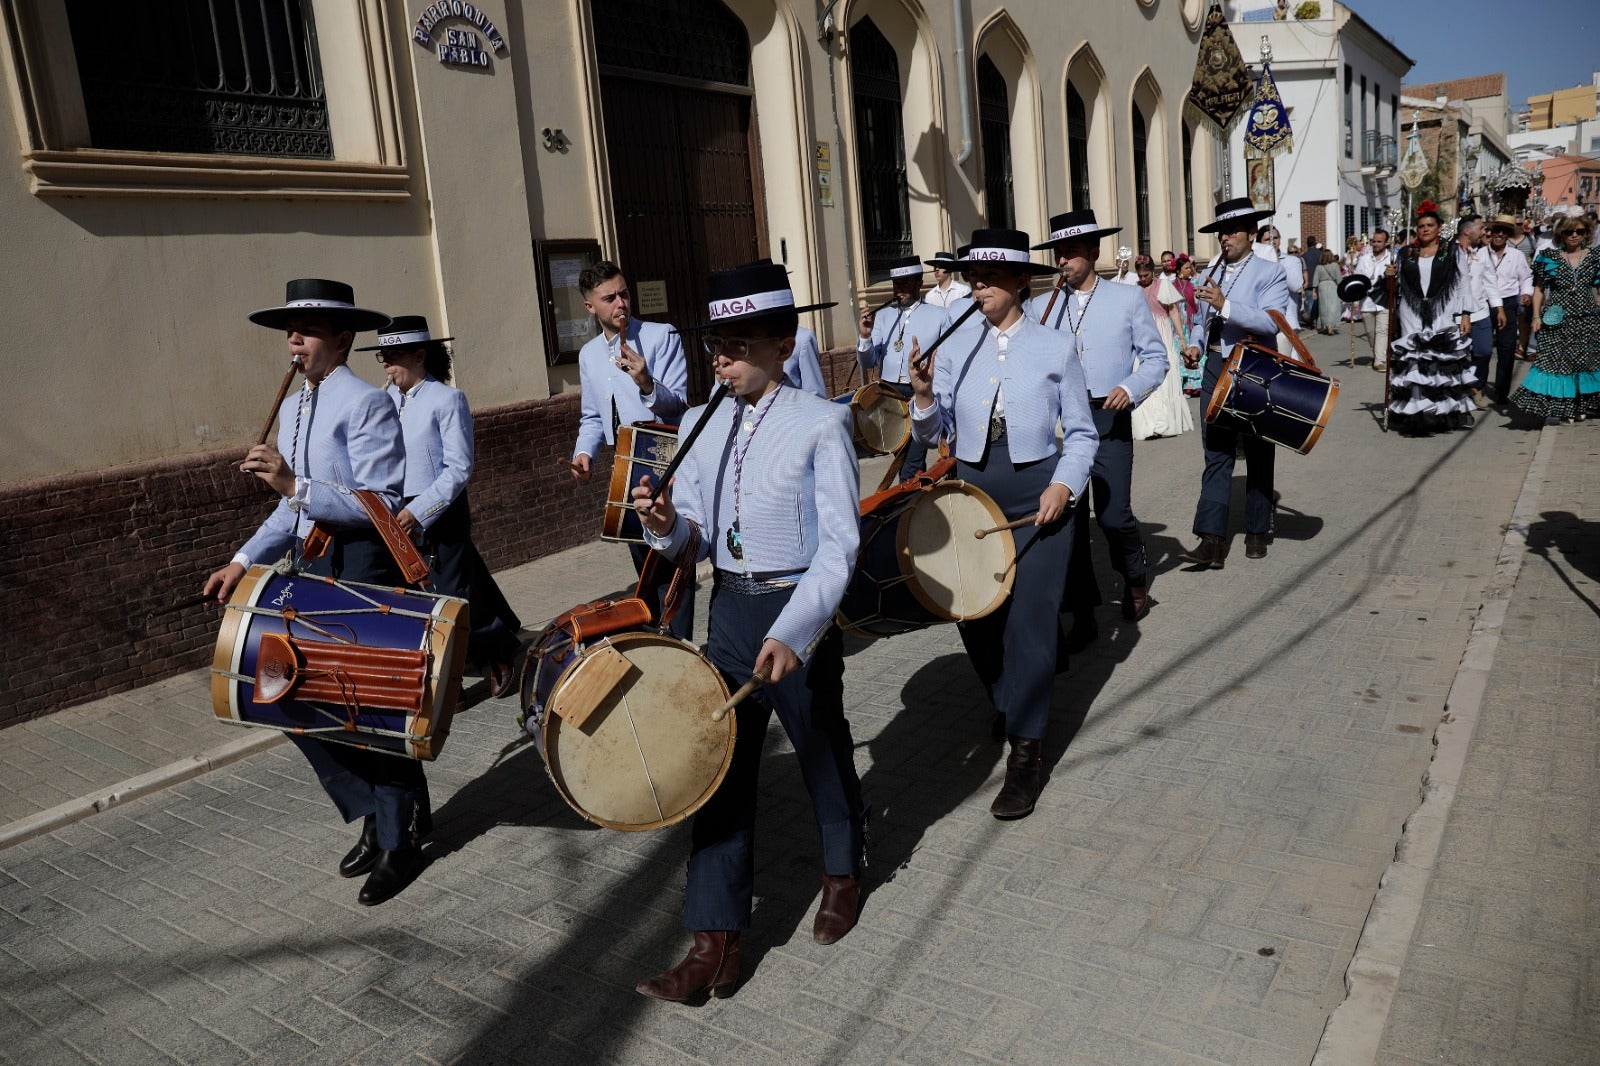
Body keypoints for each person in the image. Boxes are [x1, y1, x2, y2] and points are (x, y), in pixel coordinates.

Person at [630, 260, 868, 1001]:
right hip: (729, 609)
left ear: (782, 343)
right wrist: (667, 528)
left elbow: (841, 547)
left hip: (796, 611)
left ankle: (841, 871)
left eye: (736, 344)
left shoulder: (822, 422)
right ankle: (712, 943)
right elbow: (693, 535)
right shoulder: (708, 417)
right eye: (715, 346)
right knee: (720, 768)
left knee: (820, 745)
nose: (721, 358)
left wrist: (797, 630)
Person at [203, 278, 429, 907]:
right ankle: (373, 814)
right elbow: (292, 510)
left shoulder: (366, 404)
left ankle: (401, 835)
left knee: (367, 705)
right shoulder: (299, 405)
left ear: (343, 339)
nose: (293, 341)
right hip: (307, 566)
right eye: (289, 332)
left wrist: (294, 483)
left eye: (306, 331)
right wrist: (242, 559)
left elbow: (381, 502)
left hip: (360, 565)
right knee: (287, 695)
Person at [909, 228, 1098, 818]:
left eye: (991, 276)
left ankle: (1026, 753)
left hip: (1036, 493)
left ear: (1021, 281)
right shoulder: (958, 343)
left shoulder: (1054, 346)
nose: (979, 285)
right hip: (970, 491)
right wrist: (920, 397)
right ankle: (1010, 699)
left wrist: (1063, 486)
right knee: (972, 612)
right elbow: (927, 434)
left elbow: (1083, 434)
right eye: (973, 276)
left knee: (1031, 622)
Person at [360, 316, 522, 698]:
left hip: (438, 508)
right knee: (421, 596)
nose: (385, 362)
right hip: (395, 510)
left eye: (393, 354)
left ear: (420, 355)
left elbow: (459, 467)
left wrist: (420, 511)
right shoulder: (383, 400)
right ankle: (448, 674)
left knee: (453, 591)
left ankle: (498, 655)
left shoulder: (446, 399)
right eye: (382, 354)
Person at [1030, 213, 1168, 652]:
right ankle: (1083, 612)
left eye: (1072, 252)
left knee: (1112, 515)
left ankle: (1133, 573)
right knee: (1068, 518)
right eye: (1059, 252)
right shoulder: (1043, 306)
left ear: (1094, 253)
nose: (1063, 260)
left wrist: (1129, 387)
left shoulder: (1127, 300)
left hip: (1108, 414)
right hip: (1061, 423)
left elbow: (1155, 359)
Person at [569, 261, 693, 636]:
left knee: (671, 564)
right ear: (591, 307)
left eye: (624, 293)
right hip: (624, 464)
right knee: (643, 563)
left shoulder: (661, 335)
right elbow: (592, 416)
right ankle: (656, 638)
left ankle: (679, 643)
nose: (621, 303)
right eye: (609, 298)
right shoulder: (589, 354)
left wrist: (646, 383)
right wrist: (584, 453)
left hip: (662, 459)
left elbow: (681, 407)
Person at [1179, 199, 1290, 568]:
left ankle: (1257, 528)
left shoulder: (1269, 272)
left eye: (1231, 231)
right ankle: (1211, 539)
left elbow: (1271, 323)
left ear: (1251, 234)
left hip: (1254, 365)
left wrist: (1226, 304)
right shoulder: (1212, 269)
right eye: (1221, 232)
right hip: (1214, 364)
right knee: (1216, 449)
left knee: (1257, 448)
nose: (1224, 238)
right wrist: (1195, 344)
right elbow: (1199, 319)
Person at [1383, 201, 1477, 434]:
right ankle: (1417, 410)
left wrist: (1465, 314)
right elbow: (1394, 287)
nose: (1425, 229)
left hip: (1442, 310)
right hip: (1411, 311)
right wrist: (1389, 276)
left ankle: (1441, 411)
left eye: (1430, 225)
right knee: (1414, 360)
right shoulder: (1406, 253)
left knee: (1439, 360)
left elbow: (1464, 283)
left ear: (1439, 228)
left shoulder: (1452, 252)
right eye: (1421, 226)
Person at [857, 255, 951, 481]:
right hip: (890, 395)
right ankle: (908, 503)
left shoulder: (939, 315)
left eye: (906, 283)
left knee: (912, 461)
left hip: (919, 393)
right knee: (900, 456)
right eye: (896, 284)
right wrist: (865, 337)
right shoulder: (883, 316)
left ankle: (907, 505)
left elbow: (947, 361)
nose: (899, 289)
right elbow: (868, 361)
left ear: (919, 283)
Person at [1510, 214, 1600, 425]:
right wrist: (1535, 316)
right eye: (1569, 232)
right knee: (1556, 363)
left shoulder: (1596, 257)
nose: (1574, 235)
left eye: (1579, 231)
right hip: (1557, 318)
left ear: (1586, 234)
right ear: (1561, 235)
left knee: (1583, 363)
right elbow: (1539, 289)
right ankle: (1562, 408)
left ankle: (1580, 406)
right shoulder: (1549, 256)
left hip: (1586, 318)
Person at [1128, 254, 1193, 441]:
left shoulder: (1163, 286)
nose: (1142, 279)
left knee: (1163, 377)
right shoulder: (1135, 289)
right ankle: (1148, 423)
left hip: (1161, 334)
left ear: (1152, 272)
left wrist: (1181, 337)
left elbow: (1173, 310)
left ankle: (1164, 422)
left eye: (1146, 275)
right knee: (1142, 374)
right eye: (1140, 276)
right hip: (1141, 335)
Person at [1452, 215, 1504, 410]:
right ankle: (1457, 390)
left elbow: (1490, 281)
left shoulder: (1482, 253)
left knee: (1483, 351)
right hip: (1455, 314)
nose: (1485, 232)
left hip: (1480, 311)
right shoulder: (1449, 252)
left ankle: (1476, 387)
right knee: (1456, 355)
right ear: (1467, 231)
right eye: (1481, 228)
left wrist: (1498, 308)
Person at [1484, 215, 1534, 404]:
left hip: (1508, 303)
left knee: (1506, 349)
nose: (1499, 234)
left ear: (1508, 235)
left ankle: (1501, 391)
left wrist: (1526, 293)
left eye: (1504, 231)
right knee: (1482, 349)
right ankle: (1477, 386)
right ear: (1491, 232)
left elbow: (1526, 278)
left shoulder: (1516, 256)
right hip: (1484, 303)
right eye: (1496, 230)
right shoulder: (1481, 253)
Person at [1355, 230, 1395, 370]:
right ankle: (1377, 354)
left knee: (1382, 330)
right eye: (1374, 241)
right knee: (1371, 332)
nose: (1376, 244)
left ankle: (1379, 361)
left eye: (1379, 241)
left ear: (1386, 242)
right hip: (1367, 302)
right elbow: (1357, 278)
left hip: (1384, 302)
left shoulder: (1392, 258)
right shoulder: (1364, 258)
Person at [1173, 255, 1204, 395]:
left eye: (1190, 267)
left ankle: (1195, 385)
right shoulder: (1172, 285)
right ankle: (1183, 385)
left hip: (1192, 322)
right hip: (1178, 326)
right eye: (1186, 268)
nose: (1189, 270)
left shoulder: (1195, 282)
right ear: (1179, 270)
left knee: (1194, 351)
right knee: (1181, 354)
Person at [1313, 251, 1342, 334]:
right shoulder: (1335, 265)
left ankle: (1326, 325)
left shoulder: (1319, 267)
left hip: (1322, 287)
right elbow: (1339, 278)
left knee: (1324, 308)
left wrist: (1314, 291)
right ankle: (1332, 325)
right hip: (1333, 286)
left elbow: (1315, 279)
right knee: (1333, 307)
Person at [1301, 235, 1323, 323]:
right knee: (1320, 302)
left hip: (1309, 282)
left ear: (1307, 244)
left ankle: (1313, 322)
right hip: (1320, 281)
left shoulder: (1304, 256)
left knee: (1311, 303)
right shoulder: (1320, 254)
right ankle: (1319, 321)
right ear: (1315, 243)